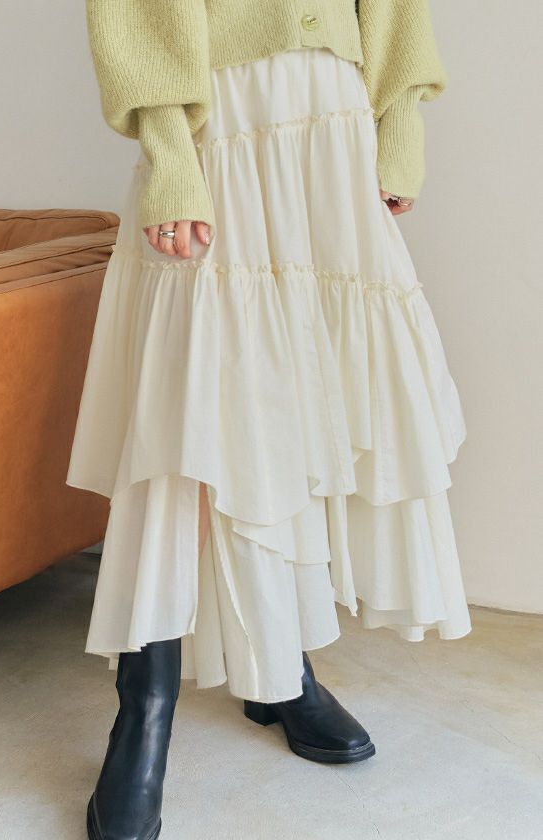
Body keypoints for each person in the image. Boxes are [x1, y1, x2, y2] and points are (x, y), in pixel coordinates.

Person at [67, 2, 471, 838]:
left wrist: (398, 123)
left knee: (301, 409)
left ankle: (281, 667)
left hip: (334, 127)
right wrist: (171, 157)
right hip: (221, 123)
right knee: (183, 423)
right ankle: (145, 705)